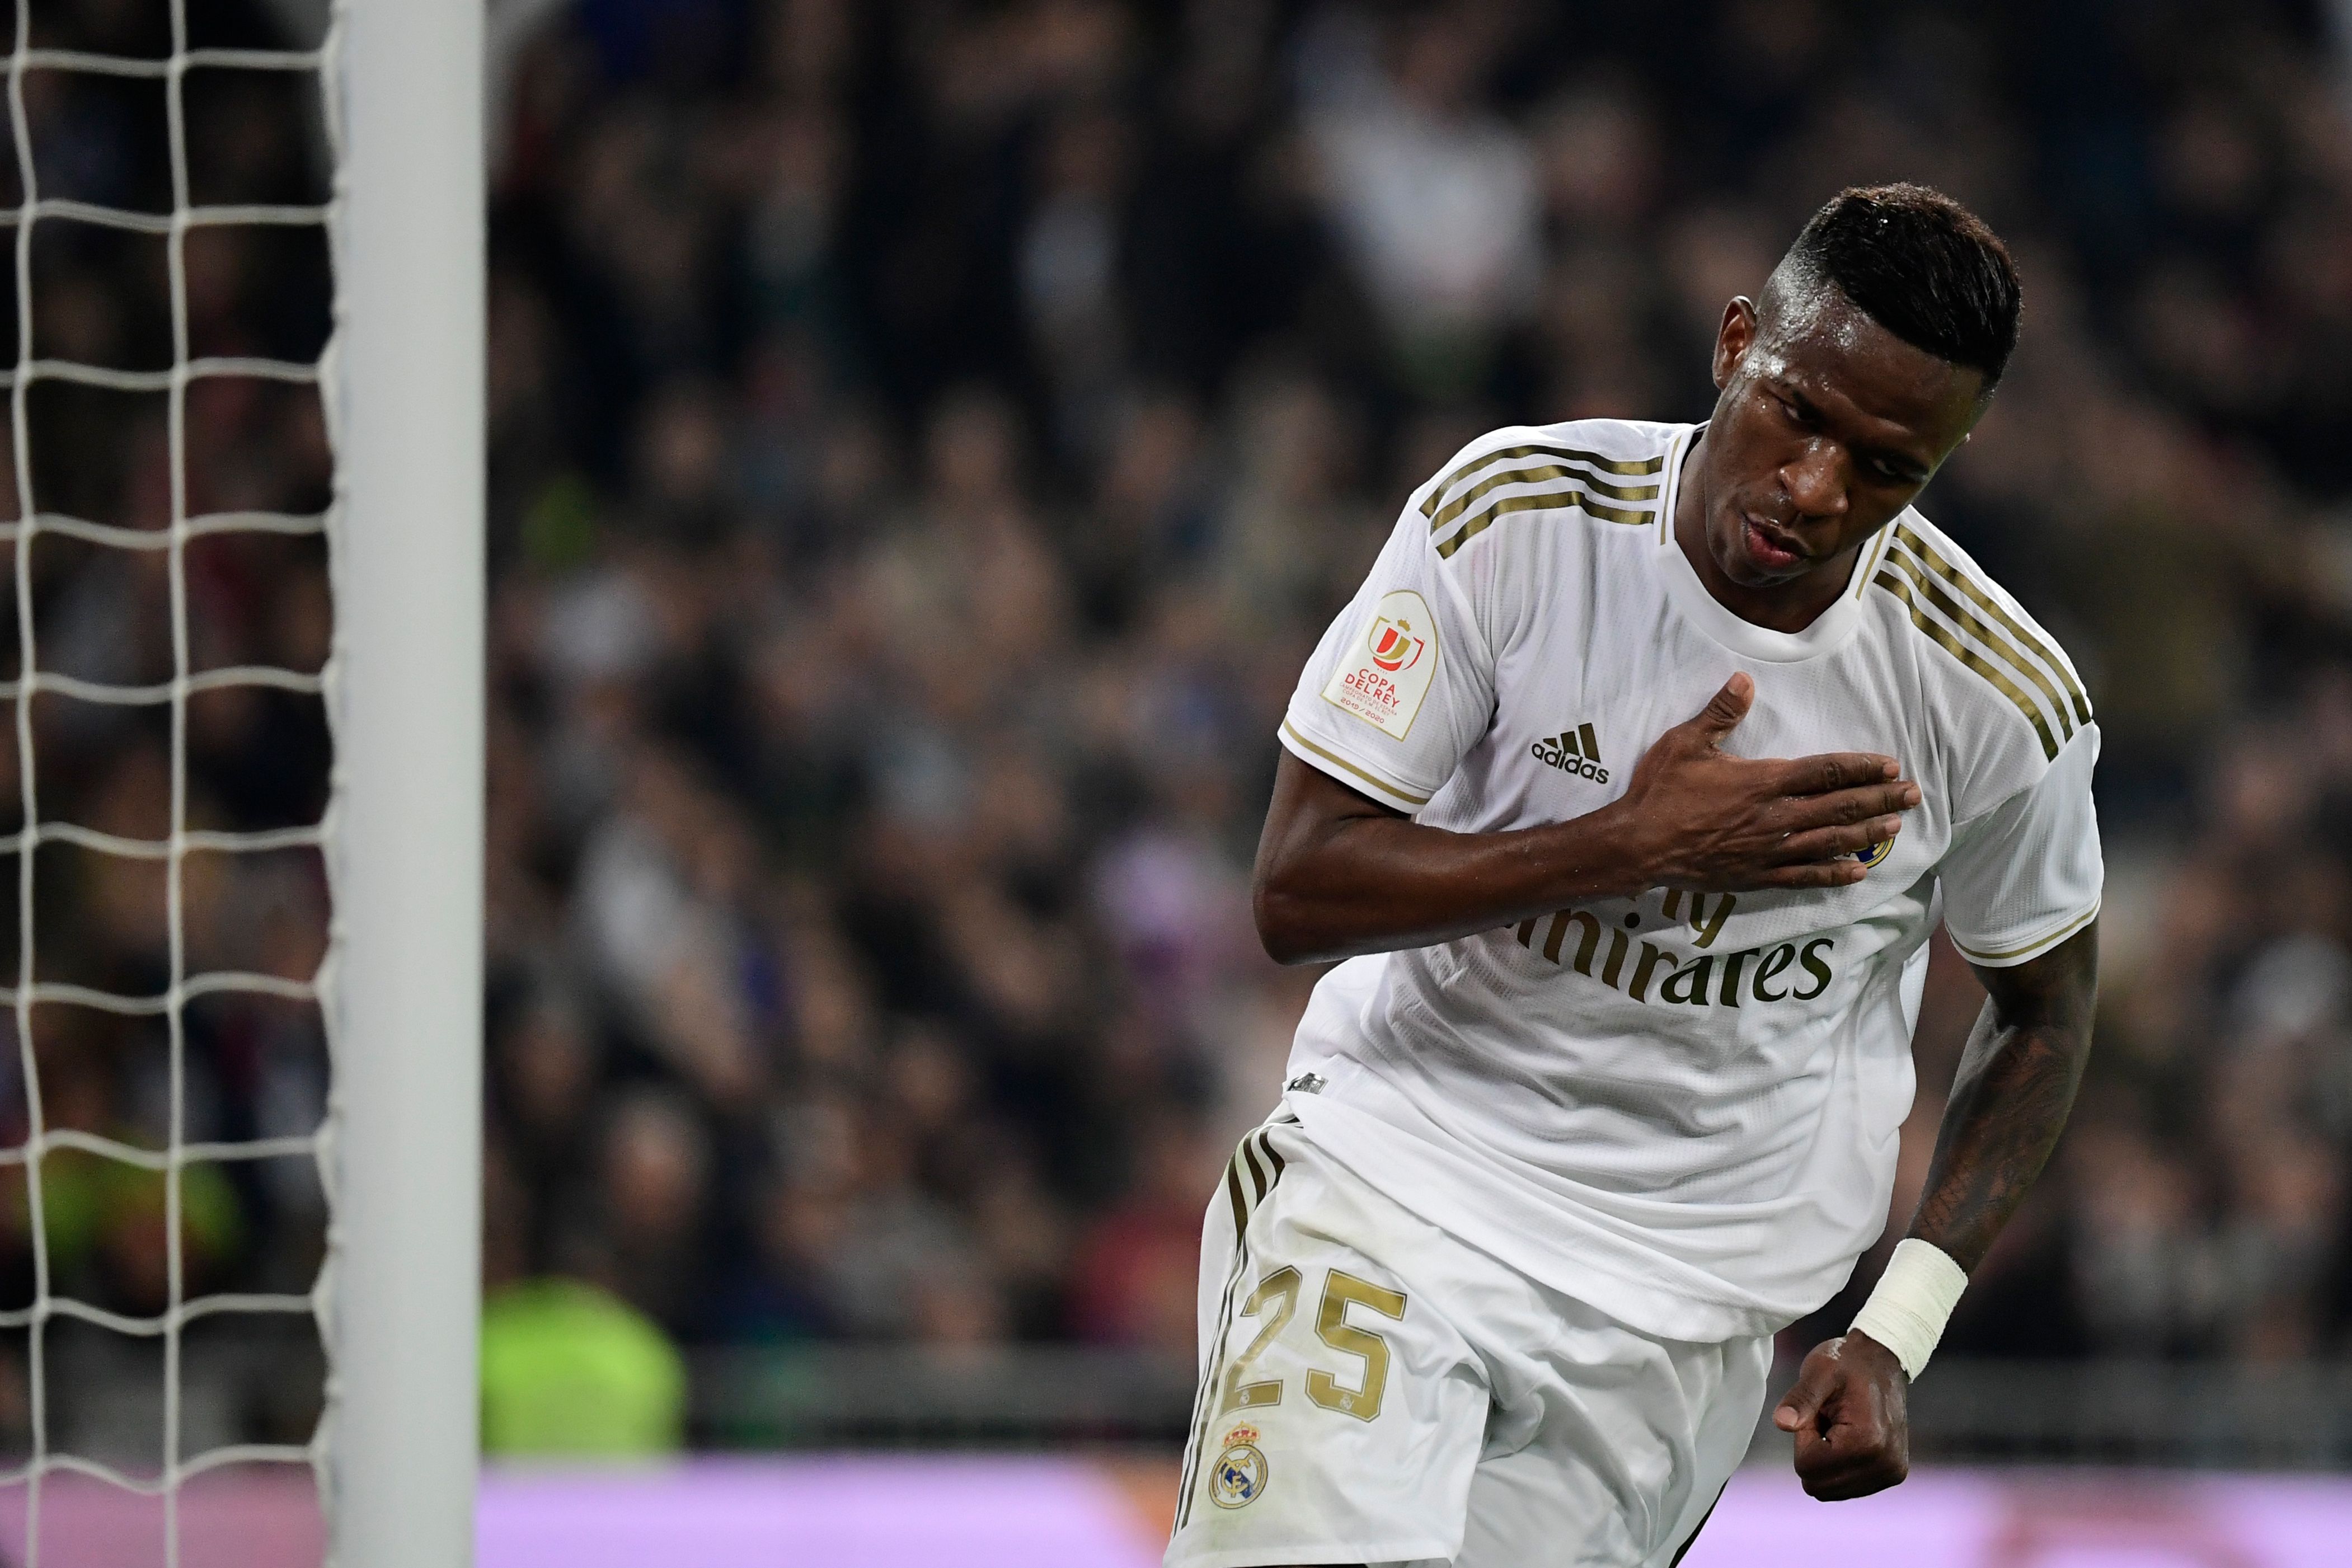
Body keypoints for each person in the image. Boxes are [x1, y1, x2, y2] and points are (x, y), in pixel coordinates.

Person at [1165, 185, 2100, 1568]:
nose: (1814, 488)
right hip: (1398, 1192)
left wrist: (1893, 1327)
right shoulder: (1516, 519)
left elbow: (2045, 1012)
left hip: (1682, 1312)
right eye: (1798, 412)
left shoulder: (1989, 695)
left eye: (1887, 468)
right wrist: (1631, 843)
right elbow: (1297, 890)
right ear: (1733, 344)